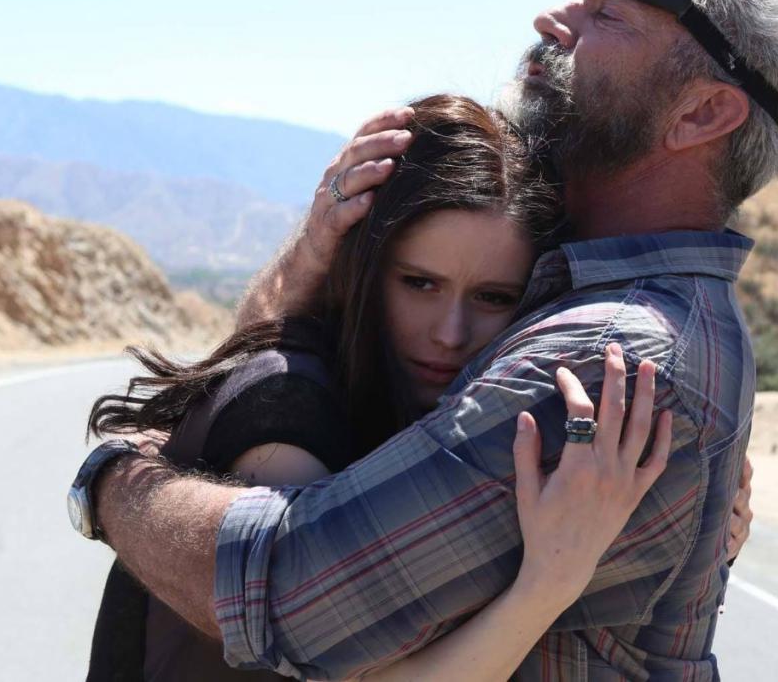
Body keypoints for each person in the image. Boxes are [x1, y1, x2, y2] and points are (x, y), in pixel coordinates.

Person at [72, 0, 778, 680]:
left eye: (607, 15)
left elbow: (291, 593)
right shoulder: (601, 293)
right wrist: (313, 255)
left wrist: (114, 484)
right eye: (418, 281)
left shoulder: (607, 359)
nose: (551, 20)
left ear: (703, 111)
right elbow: (275, 360)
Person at [84, 95, 696, 680]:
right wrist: (549, 583)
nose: (450, 333)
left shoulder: (431, 422)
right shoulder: (291, 412)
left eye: (492, 297)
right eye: (419, 284)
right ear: (366, 270)